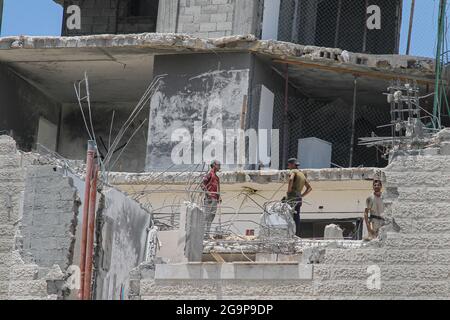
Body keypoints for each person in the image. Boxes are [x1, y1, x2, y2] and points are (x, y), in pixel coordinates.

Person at [286, 158, 312, 237]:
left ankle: (290, 234)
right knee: (297, 217)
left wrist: (289, 190)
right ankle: (297, 234)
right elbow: (309, 188)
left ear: (293, 164)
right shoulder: (302, 174)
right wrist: (301, 195)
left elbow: (291, 179)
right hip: (298, 199)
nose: (288, 166)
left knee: (289, 215)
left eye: (289, 164)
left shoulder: (293, 171)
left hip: (292, 197)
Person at [201, 160, 222, 237]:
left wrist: (219, 197)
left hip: (215, 199)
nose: (220, 167)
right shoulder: (209, 175)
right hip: (209, 199)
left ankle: (207, 233)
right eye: (218, 165)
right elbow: (202, 184)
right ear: (214, 165)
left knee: (212, 216)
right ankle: (202, 233)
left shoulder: (216, 177)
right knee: (206, 216)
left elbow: (218, 188)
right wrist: (208, 193)